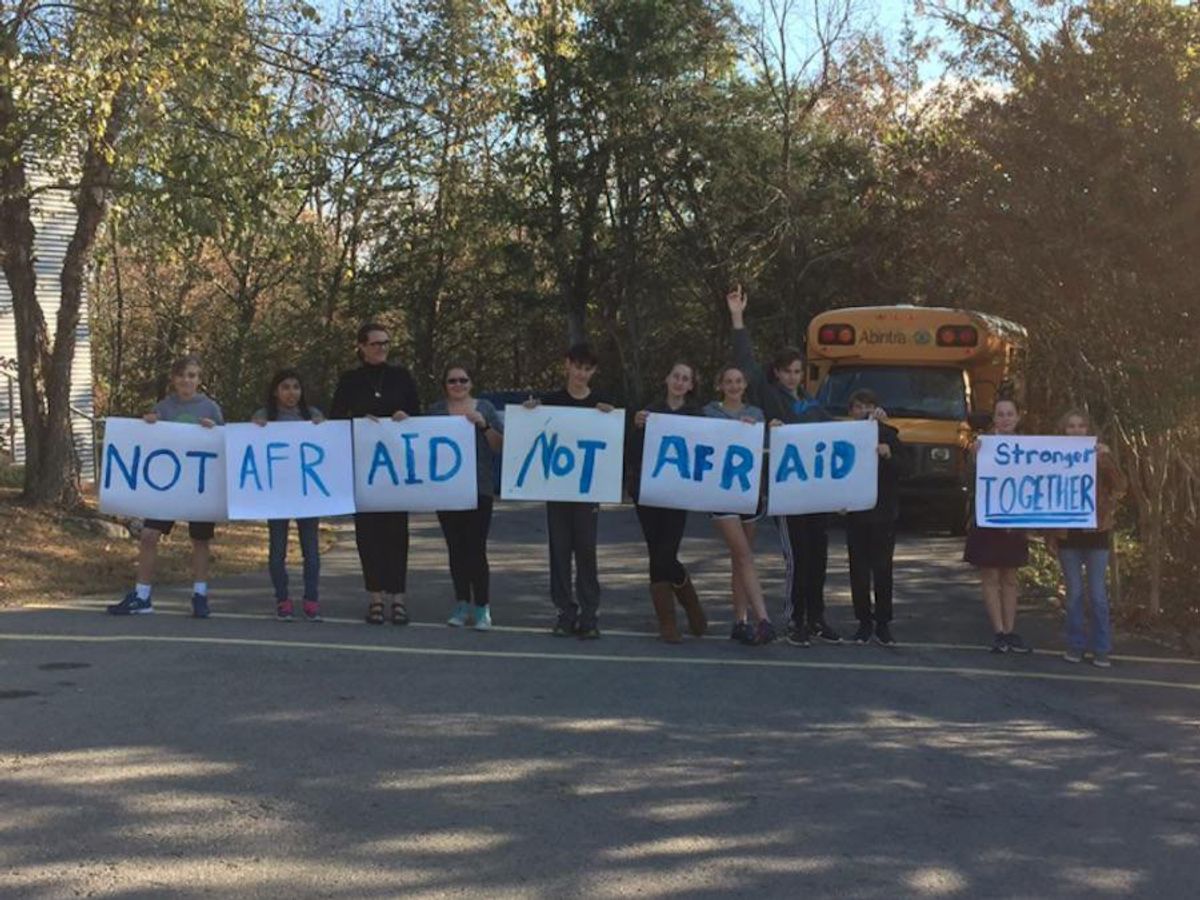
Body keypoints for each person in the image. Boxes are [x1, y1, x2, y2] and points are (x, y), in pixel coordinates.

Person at [727, 284, 840, 648]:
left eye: (797, 371)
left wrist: (874, 427)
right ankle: (794, 619)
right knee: (797, 558)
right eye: (787, 371)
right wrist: (738, 318)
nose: (792, 377)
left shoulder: (814, 405)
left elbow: (840, 439)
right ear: (776, 373)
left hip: (816, 495)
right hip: (787, 494)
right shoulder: (768, 396)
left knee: (818, 557)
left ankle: (816, 615)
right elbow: (746, 364)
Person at [108, 354, 224, 618]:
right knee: (149, 535)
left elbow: (224, 443)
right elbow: (149, 441)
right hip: (166, 487)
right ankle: (142, 595)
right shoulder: (165, 406)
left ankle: (200, 595)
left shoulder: (210, 408)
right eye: (182, 375)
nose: (187, 380)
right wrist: (148, 423)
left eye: (192, 375)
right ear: (174, 379)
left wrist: (214, 429)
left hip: (198, 487)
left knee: (200, 539)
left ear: (199, 380)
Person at [330, 322, 421, 626]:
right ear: (361, 346)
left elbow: (418, 418)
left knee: (397, 535)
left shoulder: (401, 377)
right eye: (375, 343)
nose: (382, 347)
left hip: (396, 471)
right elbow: (336, 419)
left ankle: (398, 599)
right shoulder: (350, 380)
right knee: (368, 537)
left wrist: (405, 417)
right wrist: (358, 419)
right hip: (364, 469)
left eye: (385, 343)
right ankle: (375, 599)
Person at [524, 343, 616, 639]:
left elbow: (614, 443)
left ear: (594, 372)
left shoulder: (601, 403)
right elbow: (531, 431)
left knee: (586, 552)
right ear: (567, 365)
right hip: (558, 490)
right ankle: (565, 611)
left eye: (587, 369)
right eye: (577, 367)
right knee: (559, 551)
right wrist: (529, 414)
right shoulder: (551, 401)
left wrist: (610, 416)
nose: (581, 373)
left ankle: (590, 614)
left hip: (587, 492)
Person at [627, 362, 707, 643]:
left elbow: (713, 443)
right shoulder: (650, 411)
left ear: (690, 385)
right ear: (667, 378)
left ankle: (692, 605)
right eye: (676, 376)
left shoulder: (697, 414)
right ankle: (667, 622)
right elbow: (633, 454)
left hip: (678, 493)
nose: (680, 382)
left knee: (666, 553)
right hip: (647, 492)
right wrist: (636, 428)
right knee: (655, 552)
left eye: (685, 378)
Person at [1046, 409, 1127, 667]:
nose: (1076, 430)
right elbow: (1045, 496)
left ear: (1089, 430)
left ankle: (1102, 648)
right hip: (1067, 535)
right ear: (1063, 430)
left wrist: (1105, 459)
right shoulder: (1052, 457)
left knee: (1098, 594)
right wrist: (1049, 535)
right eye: (1071, 426)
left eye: (1081, 426)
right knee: (1074, 594)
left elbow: (1121, 487)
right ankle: (1076, 645)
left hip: (1097, 534)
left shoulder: (1099, 455)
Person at [426, 363, 504, 631]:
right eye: (452, 381)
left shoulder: (485, 408)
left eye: (463, 380)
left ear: (471, 383)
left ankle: (482, 607)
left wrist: (483, 426)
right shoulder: (435, 411)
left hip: (478, 488)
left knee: (476, 549)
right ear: (445, 385)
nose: (458, 385)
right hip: (446, 490)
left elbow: (499, 446)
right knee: (456, 549)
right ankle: (461, 603)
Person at [704, 364, 775, 646]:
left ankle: (739, 621)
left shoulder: (756, 414)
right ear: (720, 385)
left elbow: (765, 447)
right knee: (745, 556)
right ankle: (763, 619)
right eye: (728, 381)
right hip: (722, 492)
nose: (734, 386)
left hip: (749, 492)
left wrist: (760, 430)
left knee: (739, 559)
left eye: (738, 381)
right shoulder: (709, 412)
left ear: (745, 385)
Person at [251, 368, 325, 623]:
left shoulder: (313, 415)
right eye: (285, 387)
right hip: (277, 495)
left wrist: (322, 428)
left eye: (296, 387)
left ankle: (311, 599)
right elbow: (252, 445)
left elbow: (326, 447)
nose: (291, 392)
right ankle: (282, 599)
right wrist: (255, 428)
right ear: (275, 391)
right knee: (277, 551)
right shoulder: (264, 416)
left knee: (311, 551)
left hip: (307, 493)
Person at [964, 397, 1032, 653]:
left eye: (1009, 414)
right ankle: (999, 631)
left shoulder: (1029, 447)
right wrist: (973, 459)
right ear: (994, 418)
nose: (1005, 419)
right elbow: (969, 484)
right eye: (1000, 414)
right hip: (988, 518)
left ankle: (1011, 630)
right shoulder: (982, 446)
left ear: (1017, 417)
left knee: (1011, 577)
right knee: (991, 575)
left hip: (1015, 521)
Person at [844, 389, 905, 646]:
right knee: (858, 571)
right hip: (856, 514)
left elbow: (906, 469)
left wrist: (888, 452)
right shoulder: (844, 437)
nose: (864, 411)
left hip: (883, 514)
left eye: (869, 406)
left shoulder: (889, 435)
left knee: (882, 569)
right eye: (859, 407)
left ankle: (883, 622)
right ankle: (863, 622)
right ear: (851, 412)